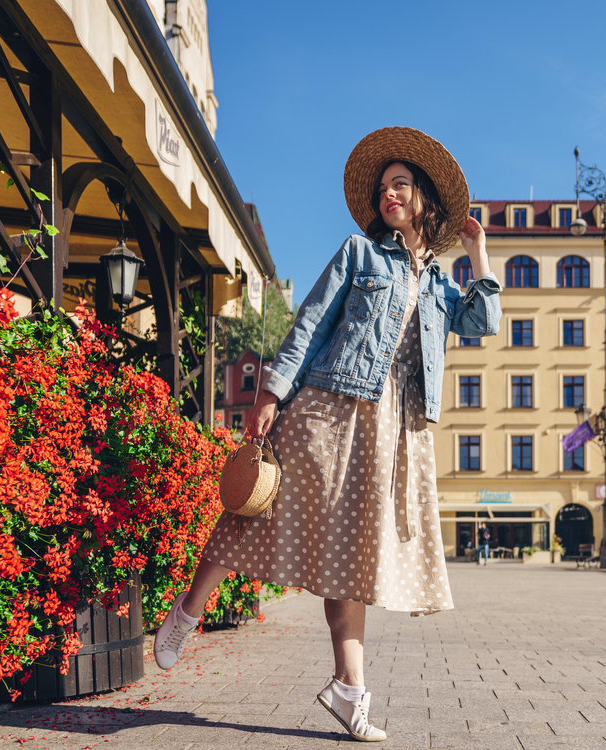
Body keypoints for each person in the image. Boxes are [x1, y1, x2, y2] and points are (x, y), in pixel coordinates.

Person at [151, 127, 502, 743]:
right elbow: (310, 323)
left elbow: (484, 321)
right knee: (259, 511)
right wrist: (269, 395)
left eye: (401, 184)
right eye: (384, 186)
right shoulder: (358, 254)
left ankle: (348, 690)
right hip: (331, 405)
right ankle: (188, 609)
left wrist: (479, 255)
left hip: (395, 427)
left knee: (353, 558)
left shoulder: (443, 285)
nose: (389, 193)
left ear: (424, 201)